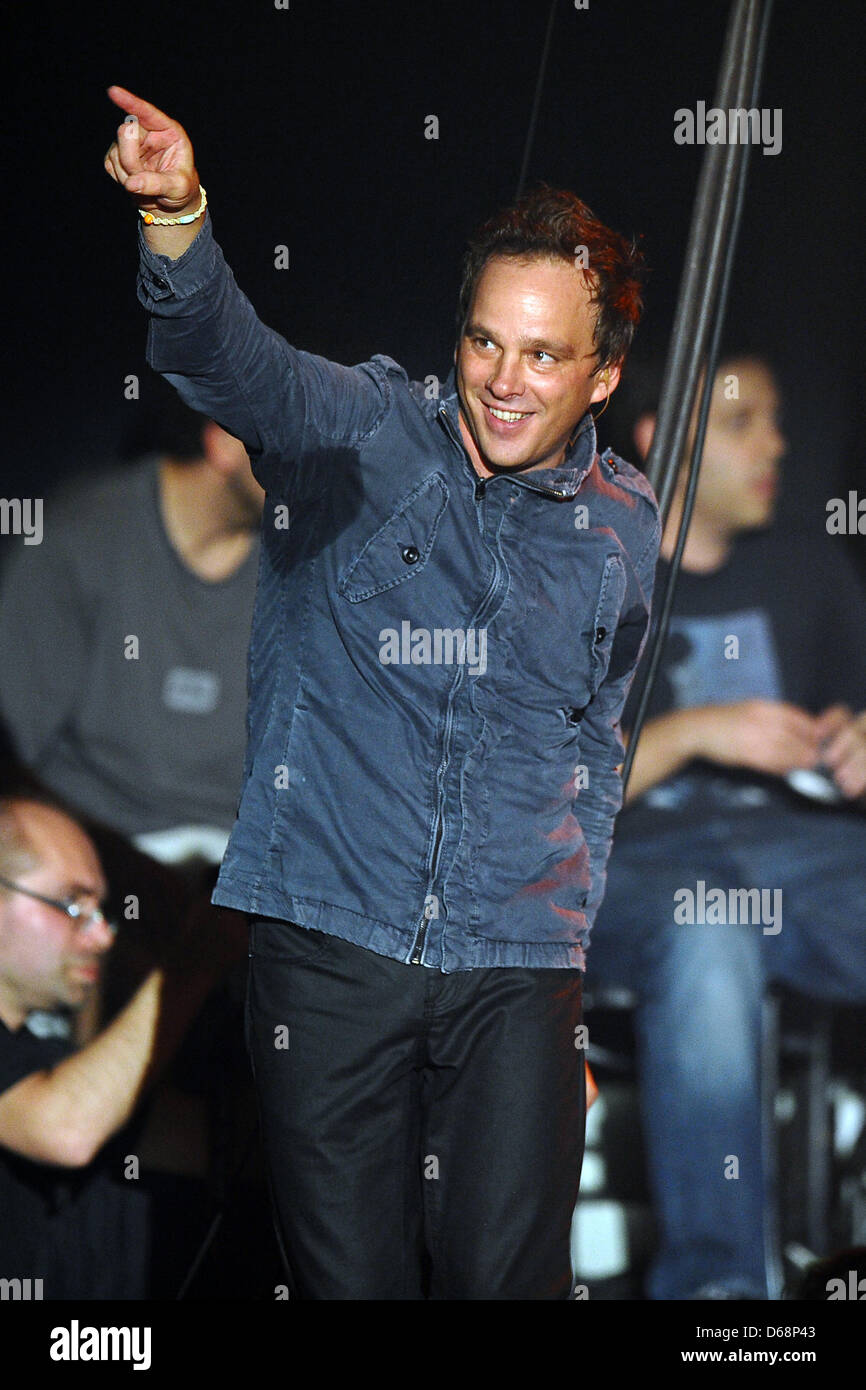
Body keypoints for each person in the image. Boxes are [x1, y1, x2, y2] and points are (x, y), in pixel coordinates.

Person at [102, 85, 661, 1300]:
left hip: (515, 968)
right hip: (330, 948)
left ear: (603, 374)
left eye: (543, 354)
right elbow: (232, 363)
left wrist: (562, 963)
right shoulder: (360, 433)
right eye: (482, 341)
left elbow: (597, 750)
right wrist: (179, 220)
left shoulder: (624, 526)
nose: (503, 381)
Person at [588, 352, 866, 1299]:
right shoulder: (585, 570)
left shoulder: (811, 570)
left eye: (777, 422)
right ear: (661, 439)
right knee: (711, 934)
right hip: (636, 872)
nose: (776, 445)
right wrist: (703, 732)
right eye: (746, 423)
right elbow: (540, 789)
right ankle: (719, 1300)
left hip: (801, 861)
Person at [0, 388, 264, 859]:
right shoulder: (79, 537)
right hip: (100, 855)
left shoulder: (307, 569)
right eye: (299, 439)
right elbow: (13, 749)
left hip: (235, 878)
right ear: (225, 442)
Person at [0, 795, 246, 1298]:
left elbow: (193, 1144)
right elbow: (65, 1129)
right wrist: (192, 964)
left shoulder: (38, 1060)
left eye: (100, 910)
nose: (101, 936)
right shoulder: (47, 1097)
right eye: (72, 904)